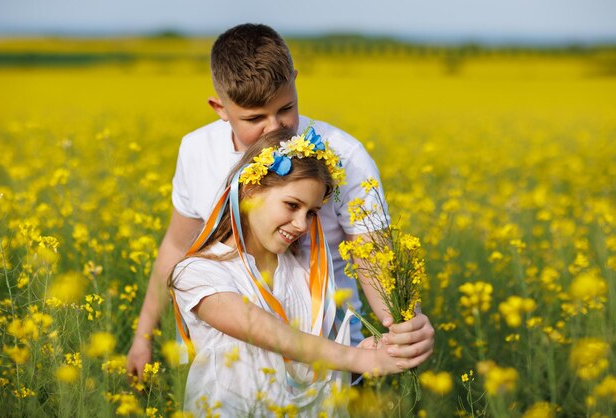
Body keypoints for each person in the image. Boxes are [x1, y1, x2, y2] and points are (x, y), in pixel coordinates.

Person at [127, 23, 434, 380]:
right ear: (219, 108)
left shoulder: (346, 155)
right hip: (226, 370)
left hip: (332, 362)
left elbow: (373, 258)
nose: (274, 127)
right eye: (254, 118)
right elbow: (177, 245)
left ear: (296, 82)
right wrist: (142, 337)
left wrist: (401, 325)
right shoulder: (196, 151)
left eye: (286, 108)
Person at [171, 128, 411, 416]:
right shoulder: (198, 272)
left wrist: (367, 354)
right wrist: (358, 359)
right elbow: (269, 333)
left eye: (311, 212)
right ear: (250, 191)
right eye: (292, 205)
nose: (301, 224)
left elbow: (311, 359)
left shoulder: (300, 272)